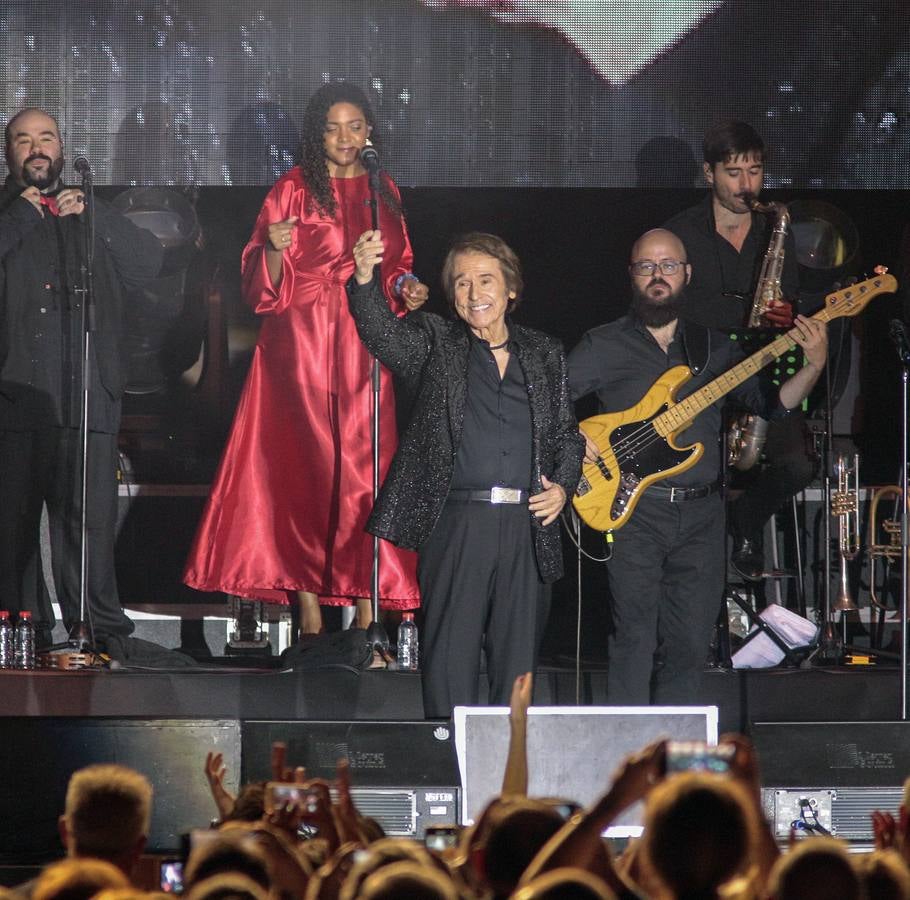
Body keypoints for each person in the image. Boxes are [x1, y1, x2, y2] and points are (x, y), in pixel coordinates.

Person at [183, 82, 427, 635]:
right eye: (332, 127)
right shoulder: (291, 189)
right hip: (303, 348)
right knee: (307, 475)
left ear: (370, 132)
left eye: (355, 126)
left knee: (368, 476)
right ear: (317, 134)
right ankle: (310, 611)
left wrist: (408, 287)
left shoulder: (381, 188)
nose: (345, 138)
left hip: (366, 345)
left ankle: (368, 612)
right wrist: (272, 247)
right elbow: (259, 290)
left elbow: (399, 263)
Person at [567, 228, 827, 704]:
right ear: (632, 275)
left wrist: (812, 365)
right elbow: (549, 402)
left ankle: (676, 761)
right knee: (634, 639)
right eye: (646, 266)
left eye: (668, 266)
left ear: (687, 274)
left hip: (702, 517)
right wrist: (570, 435)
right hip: (636, 513)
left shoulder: (714, 348)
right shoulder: (602, 344)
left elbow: (770, 405)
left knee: (689, 645)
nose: (657, 275)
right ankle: (627, 761)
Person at [348, 231, 584, 718]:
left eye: (485, 280)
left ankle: (508, 779)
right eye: (462, 284)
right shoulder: (438, 343)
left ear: (511, 289)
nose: (474, 294)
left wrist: (562, 487)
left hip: (528, 525)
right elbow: (383, 336)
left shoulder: (544, 352)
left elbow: (567, 435)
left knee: (516, 665)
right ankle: (448, 769)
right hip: (458, 523)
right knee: (450, 656)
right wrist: (366, 279)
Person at [0, 107, 163, 650]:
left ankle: (95, 628)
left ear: (62, 148)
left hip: (88, 394)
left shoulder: (90, 210)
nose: (36, 147)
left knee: (84, 525)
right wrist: (21, 219)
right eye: (23, 140)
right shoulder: (5, 213)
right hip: (17, 396)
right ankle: (24, 631)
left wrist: (98, 217)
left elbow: (148, 264)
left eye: (46, 137)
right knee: (16, 530)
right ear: (10, 153)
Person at [664, 120, 816, 581]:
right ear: (709, 174)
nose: (746, 185)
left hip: (763, 365)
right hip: (702, 370)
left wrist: (786, 312)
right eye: (734, 172)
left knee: (797, 465)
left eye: (754, 171)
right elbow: (669, 306)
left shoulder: (777, 227)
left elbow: (787, 295)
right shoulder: (680, 232)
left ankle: (745, 521)